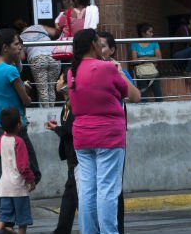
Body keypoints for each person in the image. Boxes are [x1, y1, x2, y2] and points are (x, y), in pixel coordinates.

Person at [69, 29, 140, 234]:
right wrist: (118, 71)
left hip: (82, 136)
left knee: (88, 190)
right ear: (93, 45)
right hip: (108, 135)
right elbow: (134, 96)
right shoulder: (107, 68)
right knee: (107, 189)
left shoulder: (72, 71)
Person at [0, 28, 41, 228]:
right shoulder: (10, 71)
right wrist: (26, 89)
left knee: (5, 172)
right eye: (17, 44)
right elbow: (26, 101)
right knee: (32, 170)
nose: (20, 47)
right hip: (17, 127)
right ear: (5, 47)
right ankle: (7, 215)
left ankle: (3, 217)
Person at [98, 31, 140, 234]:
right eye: (96, 45)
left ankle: (116, 228)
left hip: (114, 135)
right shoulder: (88, 68)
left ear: (112, 50)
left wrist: (120, 72)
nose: (99, 50)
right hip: (91, 135)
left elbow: (134, 96)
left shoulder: (116, 69)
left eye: (103, 46)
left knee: (113, 187)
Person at [0, 107, 36, 234]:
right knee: (22, 219)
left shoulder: (0, 140)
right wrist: (31, 180)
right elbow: (23, 166)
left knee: (4, 214)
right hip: (18, 187)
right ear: (19, 124)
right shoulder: (19, 142)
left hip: (4, 186)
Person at [45, 68, 76, 234]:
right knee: (70, 197)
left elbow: (71, 130)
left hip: (77, 157)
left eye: (60, 79)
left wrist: (57, 128)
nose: (57, 82)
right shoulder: (66, 105)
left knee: (71, 197)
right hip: (72, 156)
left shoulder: (75, 104)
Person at [16, 19, 61, 107]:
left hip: (38, 58)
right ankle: (52, 112)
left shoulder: (20, 37)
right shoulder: (39, 27)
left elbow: (22, 56)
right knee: (51, 88)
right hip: (53, 56)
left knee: (43, 89)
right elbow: (55, 32)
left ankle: (47, 115)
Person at [130, 23, 163, 102]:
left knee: (157, 89)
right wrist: (151, 58)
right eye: (150, 32)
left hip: (152, 69)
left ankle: (161, 107)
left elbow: (159, 58)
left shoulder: (154, 43)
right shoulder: (135, 43)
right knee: (143, 90)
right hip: (141, 70)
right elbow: (134, 60)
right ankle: (144, 108)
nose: (152, 34)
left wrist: (144, 58)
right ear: (143, 33)